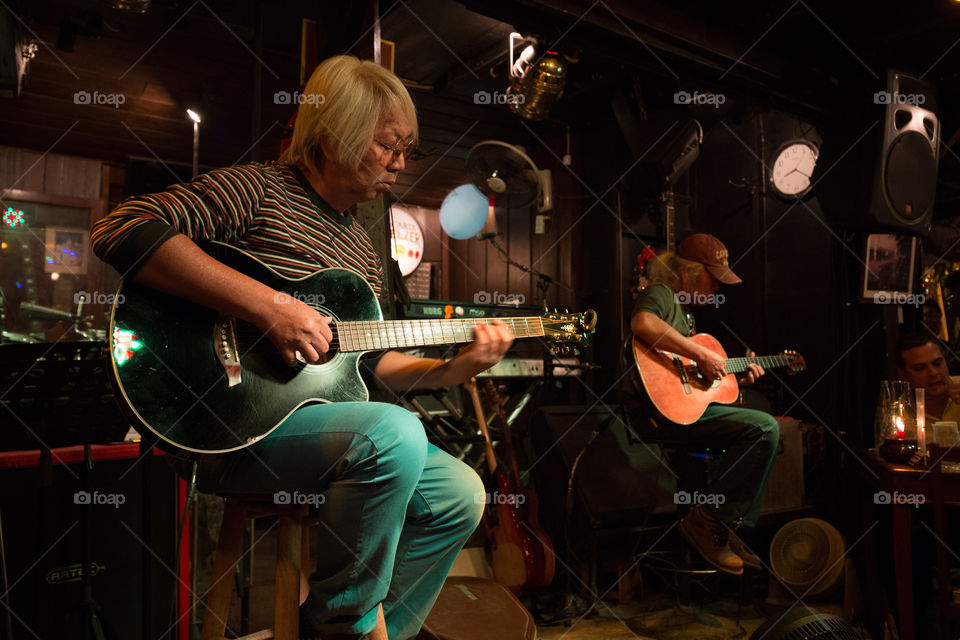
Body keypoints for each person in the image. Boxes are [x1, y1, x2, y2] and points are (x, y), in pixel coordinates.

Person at [91, 55, 513, 640]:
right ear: (337, 130)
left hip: (319, 431)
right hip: (229, 427)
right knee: (393, 433)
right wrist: (271, 307)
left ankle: (341, 622)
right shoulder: (258, 190)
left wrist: (454, 368)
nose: (400, 163)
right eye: (389, 144)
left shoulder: (361, 247)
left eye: (405, 150)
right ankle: (348, 624)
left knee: (460, 494)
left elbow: (368, 364)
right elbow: (123, 229)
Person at [621, 233, 780, 575]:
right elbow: (643, 323)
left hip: (681, 412)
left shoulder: (688, 317)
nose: (717, 290)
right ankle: (709, 520)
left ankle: (725, 527)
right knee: (764, 428)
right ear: (689, 272)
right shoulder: (662, 294)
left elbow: (696, 385)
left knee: (764, 421)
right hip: (654, 415)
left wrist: (736, 381)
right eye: (713, 280)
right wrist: (701, 354)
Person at [895, 332, 960, 424]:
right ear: (904, 374)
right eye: (920, 368)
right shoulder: (900, 414)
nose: (933, 372)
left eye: (937, 363)